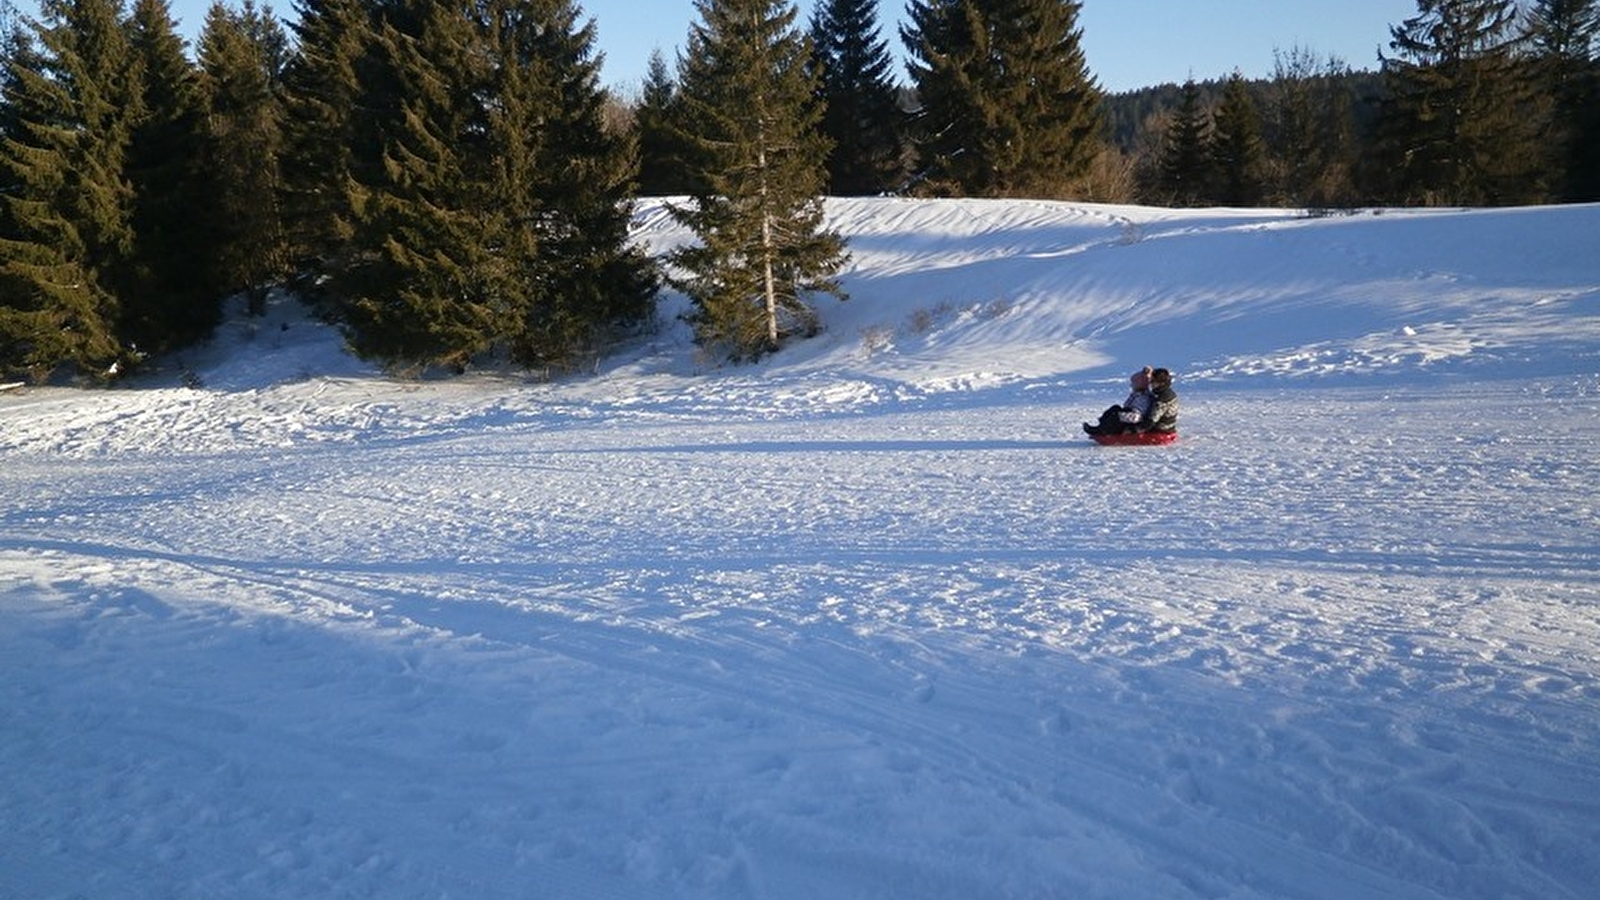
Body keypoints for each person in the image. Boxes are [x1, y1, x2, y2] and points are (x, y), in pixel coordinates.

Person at [1083, 367, 1153, 436]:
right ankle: (1101, 427)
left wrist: (1121, 416)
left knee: (1115, 416)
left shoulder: (1143, 398)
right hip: (1129, 415)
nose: (1131, 385)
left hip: (1134, 421)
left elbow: (1138, 416)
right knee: (1115, 408)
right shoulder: (1136, 395)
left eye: (1133, 383)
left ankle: (1104, 431)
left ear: (1139, 385)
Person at [1138, 367, 1179, 434]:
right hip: (1169, 427)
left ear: (1161, 383)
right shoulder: (1165, 392)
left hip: (1161, 429)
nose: (1151, 384)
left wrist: (1137, 429)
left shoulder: (1163, 397)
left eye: (1153, 382)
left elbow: (1153, 418)